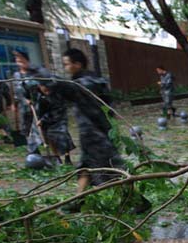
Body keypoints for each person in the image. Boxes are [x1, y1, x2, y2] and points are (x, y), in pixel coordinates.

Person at [54, 48, 149, 213]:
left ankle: (140, 201)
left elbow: (73, 89)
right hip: (88, 136)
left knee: (112, 172)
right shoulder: (78, 81)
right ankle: (79, 200)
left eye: (67, 64)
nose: (66, 67)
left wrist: (41, 75)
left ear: (77, 64)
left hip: (98, 137)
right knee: (85, 169)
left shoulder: (90, 81)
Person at [11, 49, 49, 153]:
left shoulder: (35, 73)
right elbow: (16, 91)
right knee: (26, 128)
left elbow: (43, 88)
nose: (19, 61)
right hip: (24, 106)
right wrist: (15, 103)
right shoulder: (16, 75)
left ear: (27, 60)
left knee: (38, 127)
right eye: (17, 59)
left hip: (36, 105)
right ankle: (33, 151)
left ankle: (45, 146)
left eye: (21, 59)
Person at [35, 82, 75, 165]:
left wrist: (43, 119)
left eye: (47, 85)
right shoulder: (39, 95)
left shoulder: (57, 95)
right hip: (45, 120)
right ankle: (57, 157)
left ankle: (67, 158)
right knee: (50, 138)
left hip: (59, 118)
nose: (45, 88)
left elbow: (57, 110)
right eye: (42, 86)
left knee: (63, 135)